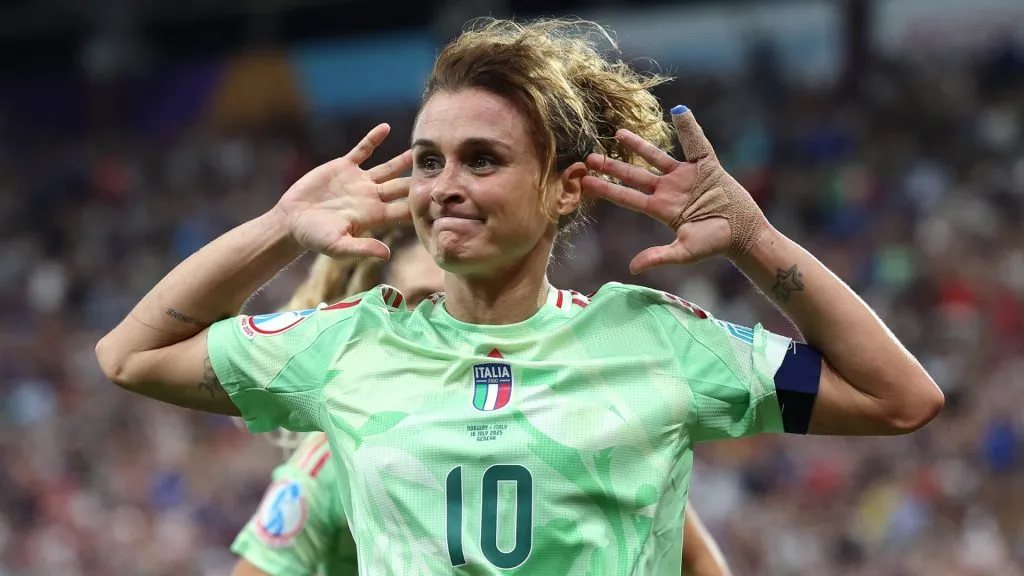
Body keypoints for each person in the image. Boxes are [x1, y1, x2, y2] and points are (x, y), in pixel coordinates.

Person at [96, 18, 942, 575]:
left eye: (482, 159)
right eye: (428, 160)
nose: (444, 186)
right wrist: (281, 226)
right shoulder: (348, 345)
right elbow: (131, 356)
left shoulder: (653, 342)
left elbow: (898, 397)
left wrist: (756, 243)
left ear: (565, 189)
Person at [231, 236, 733, 576]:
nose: (451, 323)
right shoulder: (333, 467)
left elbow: (690, 554)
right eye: (425, 301)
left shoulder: (574, 424)